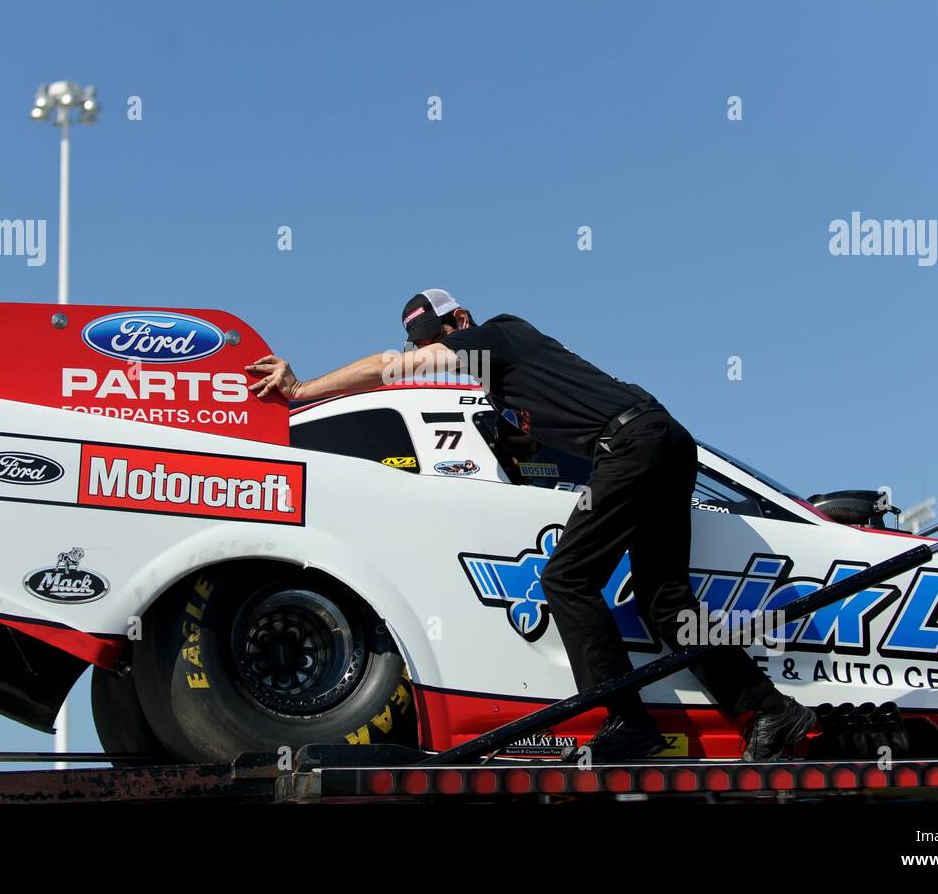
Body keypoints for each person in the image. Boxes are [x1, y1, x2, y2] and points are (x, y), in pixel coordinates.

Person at [246, 288, 817, 762]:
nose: (432, 353)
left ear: (460, 322)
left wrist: (300, 391)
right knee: (665, 601)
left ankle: (630, 724)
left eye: (437, 340)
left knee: (567, 579)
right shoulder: (507, 395)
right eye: (421, 345)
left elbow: (387, 369)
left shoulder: (499, 335)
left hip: (635, 444)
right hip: (660, 441)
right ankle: (771, 713)